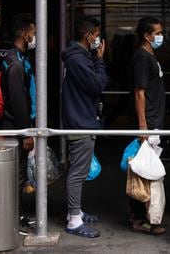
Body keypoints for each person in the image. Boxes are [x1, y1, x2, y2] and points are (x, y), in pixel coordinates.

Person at [61, 17, 107, 238]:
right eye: (96, 34)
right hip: (81, 121)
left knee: (77, 170)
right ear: (88, 35)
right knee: (77, 173)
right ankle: (73, 220)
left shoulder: (77, 57)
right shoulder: (79, 60)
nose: (98, 39)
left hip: (81, 118)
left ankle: (75, 211)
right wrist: (100, 60)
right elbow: (97, 84)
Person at [128, 17, 166, 235]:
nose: (160, 36)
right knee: (144, 172)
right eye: (158, 33)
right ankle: (141, 218)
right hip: (148, 123)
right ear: (147, 36)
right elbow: (139, 93)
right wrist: (143, 126)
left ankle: (144, 217)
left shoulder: (151, 55)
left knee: (147, 171)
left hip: (154, 122)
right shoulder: (142, 57)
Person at [0, 14, 37, 235]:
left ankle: (18, 214)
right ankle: (14, 219)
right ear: (25, 35)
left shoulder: (20, 58)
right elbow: (17, 101)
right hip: (15, 126)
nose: (35, 37)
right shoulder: (15, 62)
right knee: (16, 176)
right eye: (33, 33)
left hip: (20, 125)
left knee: (19, 174)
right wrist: (26, 133)